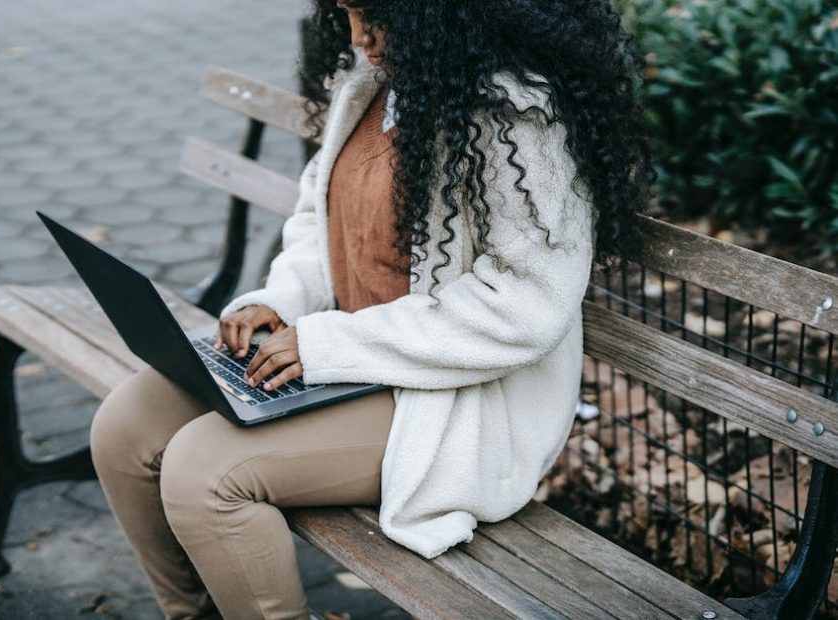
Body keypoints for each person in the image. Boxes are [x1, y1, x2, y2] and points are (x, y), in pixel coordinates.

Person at [89, 0, 656, 618]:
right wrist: (279, 304)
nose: (360, 38)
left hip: (452, 396)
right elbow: (317, 220)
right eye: (347, 12)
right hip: (342, 356)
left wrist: (327, 345)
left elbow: (523, 308)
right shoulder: (369, 87)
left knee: (205, 472)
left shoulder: (519, 118)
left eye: (377, 13)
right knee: (125, 427)